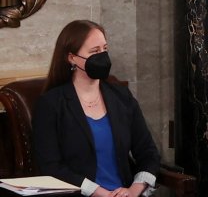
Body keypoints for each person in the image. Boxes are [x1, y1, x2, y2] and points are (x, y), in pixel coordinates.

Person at [32, 20, 160, 197]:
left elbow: (148, 153)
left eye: (104, 49)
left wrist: (134, 190)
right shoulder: (51, 104)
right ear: (71, 58)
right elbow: (51, 166)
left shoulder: (122, 96)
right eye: (94, 52)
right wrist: (99, 192)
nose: (102, 56)